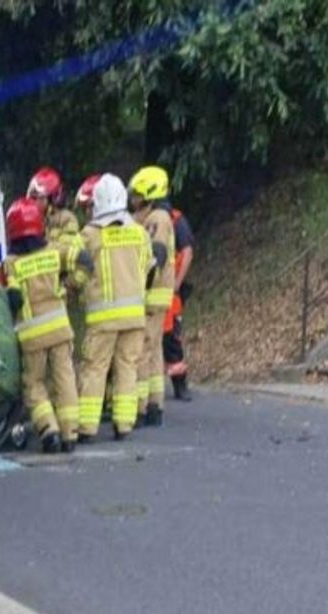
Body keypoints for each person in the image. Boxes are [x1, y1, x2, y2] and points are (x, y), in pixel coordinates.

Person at [3, 197, 93, 453]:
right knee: (65, 379)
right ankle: (70, 434)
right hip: (60, 329)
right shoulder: (55, 252)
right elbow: (85, 260)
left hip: (32, 336)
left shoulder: (12, 264)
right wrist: (72, 284)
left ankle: (48, 430)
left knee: (34, 385)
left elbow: (13, 297)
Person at [76, 174, 155, 442]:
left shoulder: (88, 235)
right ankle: (124, 425)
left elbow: (76, 271)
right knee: (127, 368)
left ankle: (87, 428)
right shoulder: (139, 233)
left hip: (102, 320)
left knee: (95, 369)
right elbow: (149, 269)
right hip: (134, 316)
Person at [128, 165, 176, 427]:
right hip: (159, 293)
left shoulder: (157, 218)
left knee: (143, 348)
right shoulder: (155, 216)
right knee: (155, 349)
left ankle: (139, 406)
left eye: (137, 194)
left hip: (153, 293)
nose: (133, 199)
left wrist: (143, 282)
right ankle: (155, 404)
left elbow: (157, 254)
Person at [165, 204, 196, 401]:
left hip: (171, 292)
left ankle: (180, 383)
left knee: (171, 338)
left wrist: (177, 284)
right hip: (151, 290)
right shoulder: (142, 220)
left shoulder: (176, 221)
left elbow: (187, 252)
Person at [27, 167, 80, 242]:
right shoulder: (29, 221)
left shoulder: (66, 218)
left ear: (52, 198)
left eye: (40, 198)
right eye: (33, 198)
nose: (35, 202)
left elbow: (68, 246)